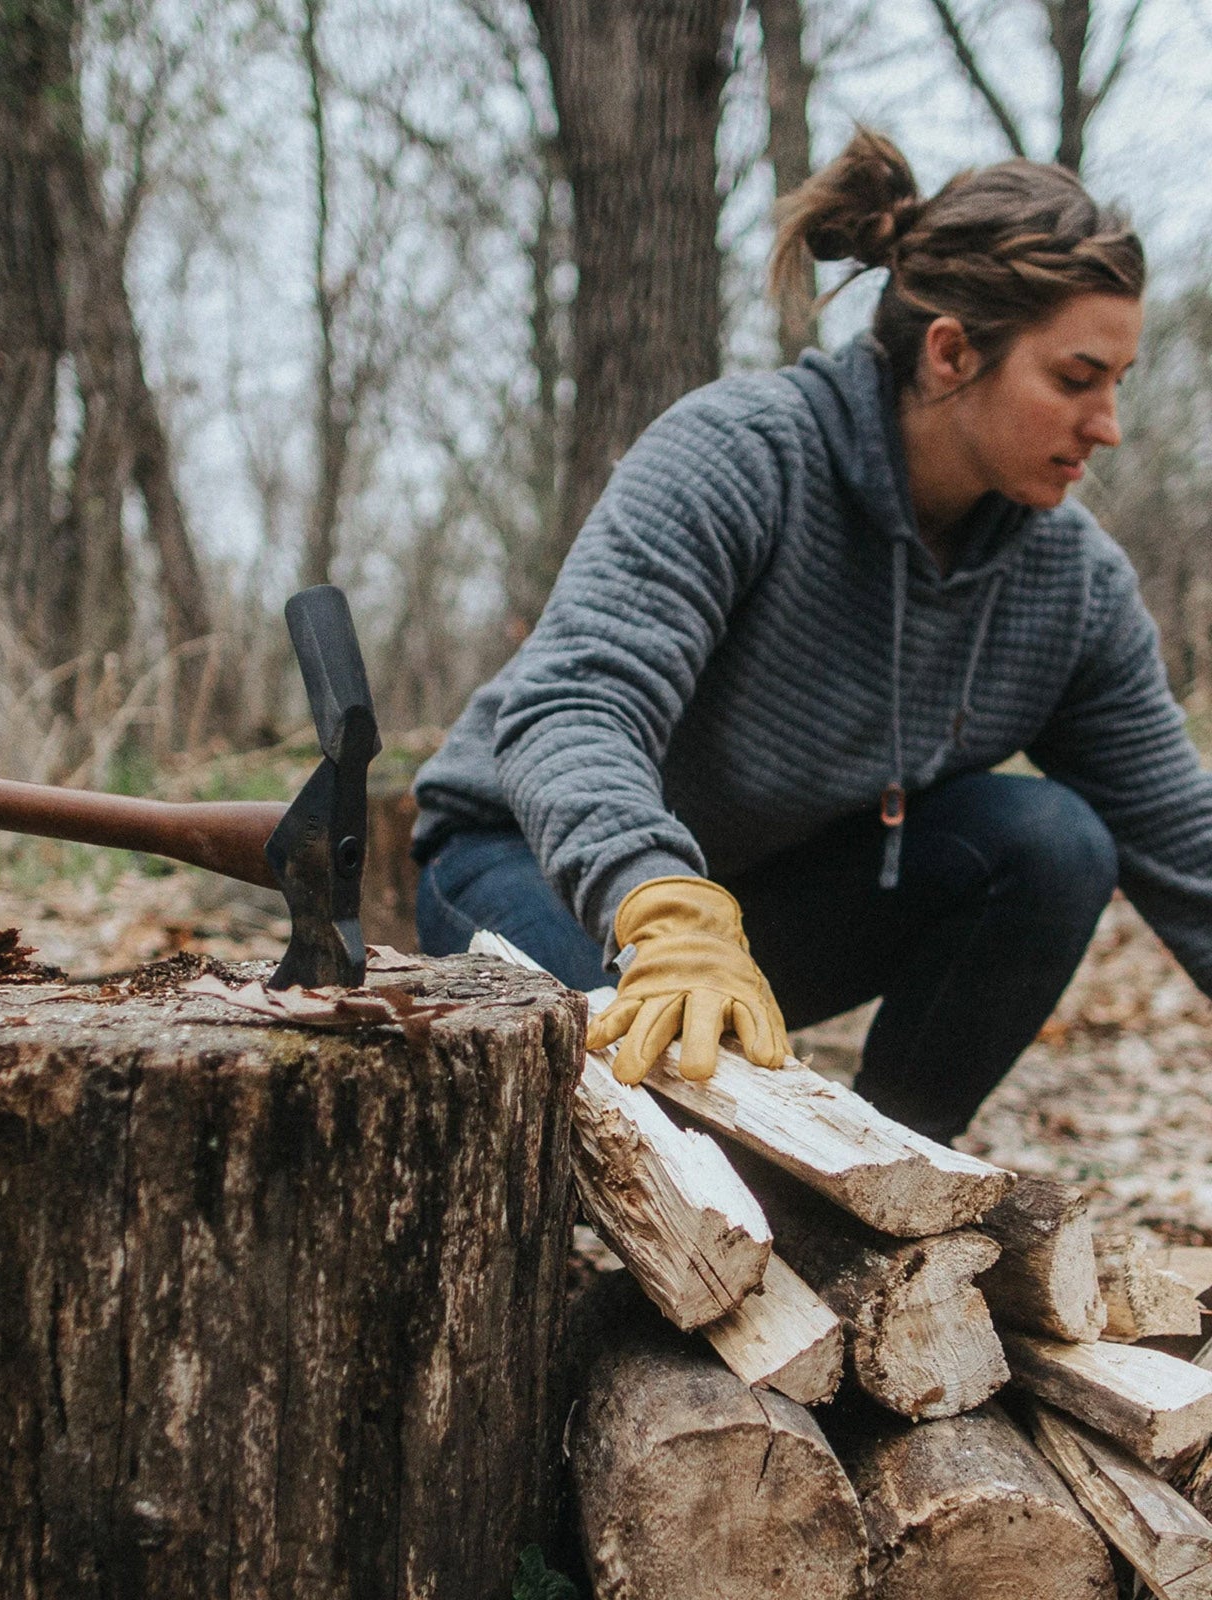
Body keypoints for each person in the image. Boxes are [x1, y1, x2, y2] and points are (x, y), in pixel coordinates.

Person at [408, 129, 1187, 1145]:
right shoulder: (742, 454)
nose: (1108, 423)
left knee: (1050, 843)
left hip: (747, 902)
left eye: (1117, 380)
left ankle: (888, 1179)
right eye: (1077, 377)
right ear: (951, 351)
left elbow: (1186, 841)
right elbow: (573, 705)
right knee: (691, 1138)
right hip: (530, 862)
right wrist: (661, 905)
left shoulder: (1070, 584)